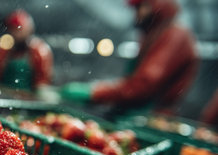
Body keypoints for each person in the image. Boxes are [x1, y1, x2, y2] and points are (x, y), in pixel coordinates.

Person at [62, 0, 199, 114]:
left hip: (152, 116)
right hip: (143, 112)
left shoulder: (175, 35)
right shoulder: (155, 34)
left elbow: (144, 84)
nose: (136, 14)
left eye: (140, 7)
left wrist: (95, 92)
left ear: (156, 5)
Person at [0, 9, 56, 100]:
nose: (16, 34)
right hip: (4, 96)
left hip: (29, 100)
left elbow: (42, 81)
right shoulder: (4, 50)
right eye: (12, 29)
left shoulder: (39, 50)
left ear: (29, 30)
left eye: (19, 29)